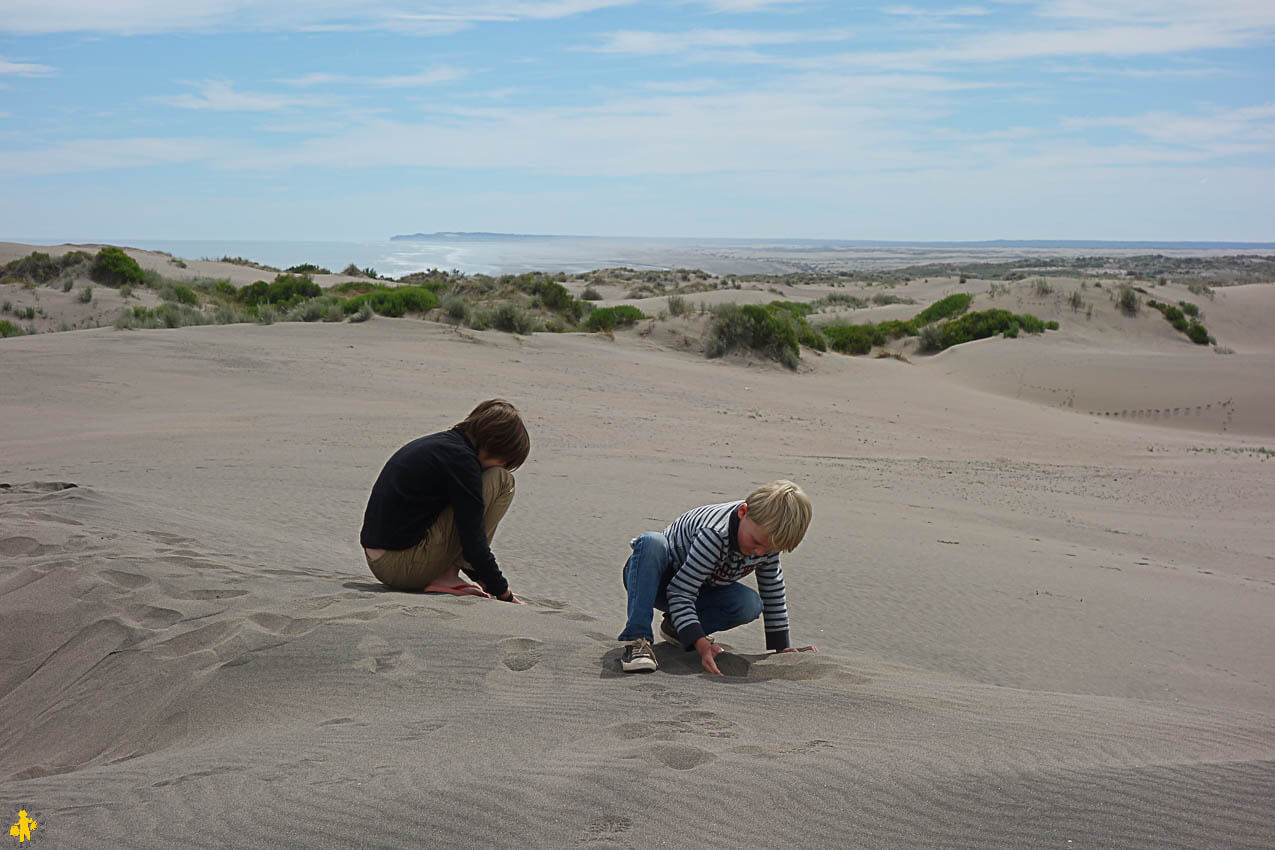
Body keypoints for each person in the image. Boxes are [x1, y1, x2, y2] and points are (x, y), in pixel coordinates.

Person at [617, 480, 816, 674]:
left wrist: (782, 647)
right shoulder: (715, 534)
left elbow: (772, 590)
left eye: (769, 549)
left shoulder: (766, 541)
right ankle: (637, 641)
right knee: (652, 542)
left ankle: (677, 628)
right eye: (755, 542)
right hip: (652, 580)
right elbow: (680, 591)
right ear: (743, 513)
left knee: (749, 604)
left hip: (698, 588)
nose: (758, 553)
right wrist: (701, 642)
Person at [360, 399, 529, 602]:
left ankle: (450, 575)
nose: (502, 465)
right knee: (502, 480)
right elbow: (473, 540)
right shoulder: (463, 461)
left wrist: (483, 579)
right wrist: (503, 592)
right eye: (505, 461)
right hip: (400, 566)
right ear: (495, 443)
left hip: (381, 559)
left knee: (468, 503)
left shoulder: (442, 446)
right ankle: (447, 577)